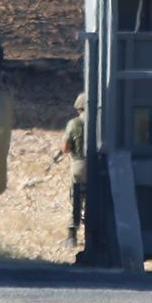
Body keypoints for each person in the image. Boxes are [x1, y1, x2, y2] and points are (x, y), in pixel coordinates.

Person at [61, 93, 87, 247]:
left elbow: (65, 148)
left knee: (77, 201)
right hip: (99, 167)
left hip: (80, 166)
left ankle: (72, 236)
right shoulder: (101, 121)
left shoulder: (74, 123)